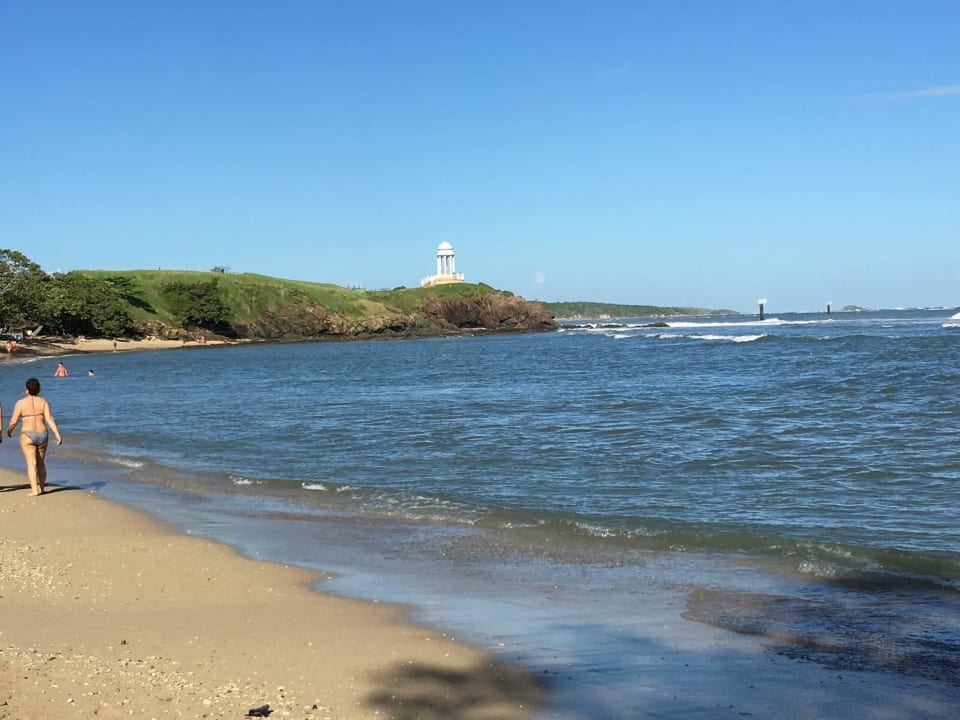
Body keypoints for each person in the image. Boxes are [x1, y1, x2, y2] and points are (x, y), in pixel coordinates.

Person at [7, 377, 63, 496]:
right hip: (43, 434)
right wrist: (57, 434)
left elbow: (14, 421)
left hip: (27, 434)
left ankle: (34, 490)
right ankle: (42, 488)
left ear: (26, 389)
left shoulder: (20, 403)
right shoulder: (43, 402)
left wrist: (9, 430)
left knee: (31, 463)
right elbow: (49, 418)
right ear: (39, 389)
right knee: (41, 462)